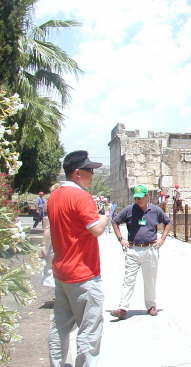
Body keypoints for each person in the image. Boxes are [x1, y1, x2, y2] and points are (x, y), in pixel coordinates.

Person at [47, 150, 109, 367]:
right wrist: (105, 216)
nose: (92, 174)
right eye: (89, 170)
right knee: (90, 329)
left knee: (60, 326)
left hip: (62, 272)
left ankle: (58, 363)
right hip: (83, 274)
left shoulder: (54, 196)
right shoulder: (81, 196)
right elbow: (96, 229)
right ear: (76, 173)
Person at [111, 185, 171, 320]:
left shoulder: (155, 210)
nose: (137, 200)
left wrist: (162, 239)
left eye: (140, 197)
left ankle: (151, 306)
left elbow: (168, 222)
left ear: (146, 196)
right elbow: (115, 222)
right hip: (133, 250)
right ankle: (122, 308)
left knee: (150, 279)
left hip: (150, 249)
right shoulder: (129, 210)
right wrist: (121, 239)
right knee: (128, 279)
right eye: (136, 197)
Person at [40, 183, 61, 289]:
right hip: (69, 243)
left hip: (55, 242)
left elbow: (48, 228)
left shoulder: (52, 207)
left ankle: (58, 293)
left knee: (52, 266)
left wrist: (43, 245)